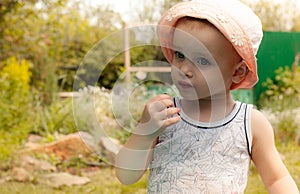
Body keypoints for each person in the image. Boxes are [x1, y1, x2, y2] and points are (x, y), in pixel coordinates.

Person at [115, 0, 299, 193]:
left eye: (202, 60)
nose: (184, 69)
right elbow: (126, 176)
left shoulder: (251, 123)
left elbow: (277, 179)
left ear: (237, 72)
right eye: (179, 55)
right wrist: (145, 132)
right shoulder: (165, 114)